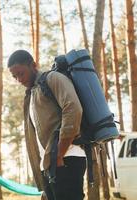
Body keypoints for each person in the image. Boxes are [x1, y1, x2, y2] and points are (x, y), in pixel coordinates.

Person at [7, 50, 86, 200]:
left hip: (68, 158)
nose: (19, 79)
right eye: (14, 76)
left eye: (21, 73)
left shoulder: (53, 79)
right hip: (50, 164)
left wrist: (59, 154)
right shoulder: (31, 94)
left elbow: (73, 109)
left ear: (33, 65)